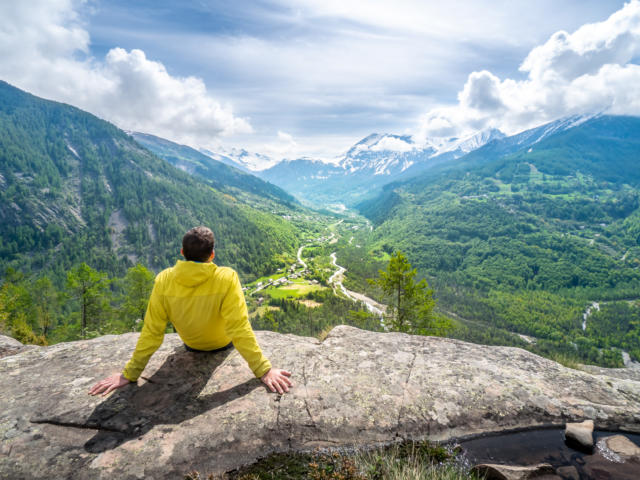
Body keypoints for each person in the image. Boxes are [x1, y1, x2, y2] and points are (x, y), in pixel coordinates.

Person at [89, 226, 293, 396]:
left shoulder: (164, 279)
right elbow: (239, 328)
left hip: (191, 345)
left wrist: (129, 374)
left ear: (182, 252)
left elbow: (152, 332)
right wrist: (263, 370)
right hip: (222, 344)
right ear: (212, 255)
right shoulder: (226, 277)